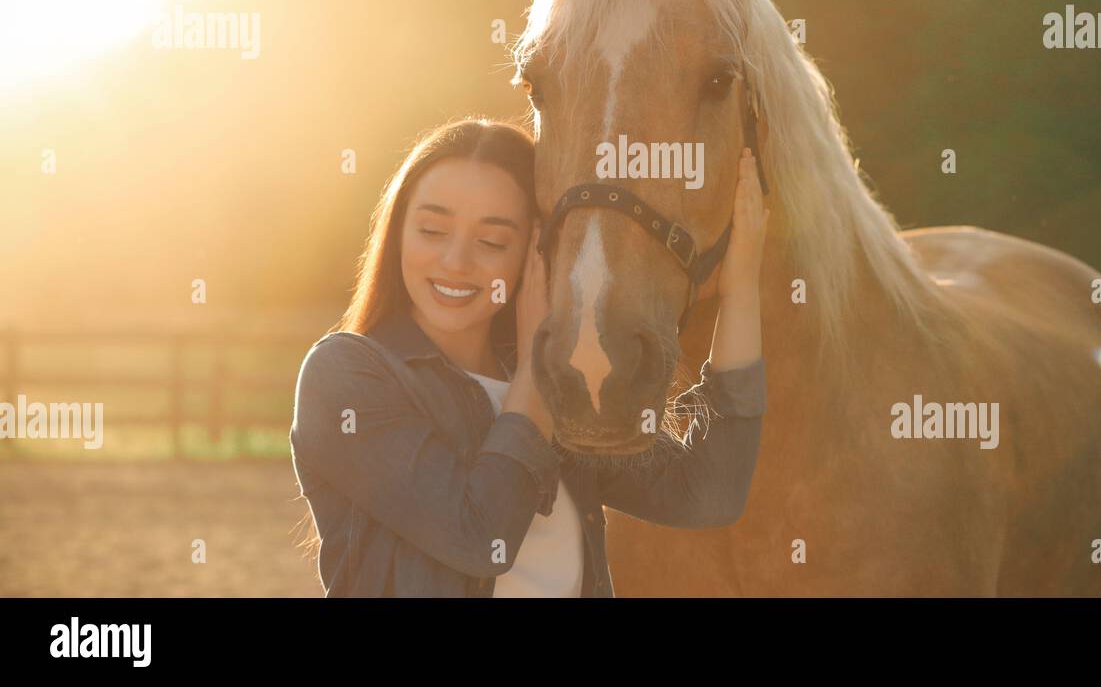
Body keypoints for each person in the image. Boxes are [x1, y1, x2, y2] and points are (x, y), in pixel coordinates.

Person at [289, 117, 768, 596]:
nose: (456, 261)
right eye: (432, 230)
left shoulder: (555, 386)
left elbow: (708, 492)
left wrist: (741, 288)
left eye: (492, 242)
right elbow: (480, 537)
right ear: (397, 234)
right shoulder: (344, 376)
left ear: (533, 254)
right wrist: (539, 363)